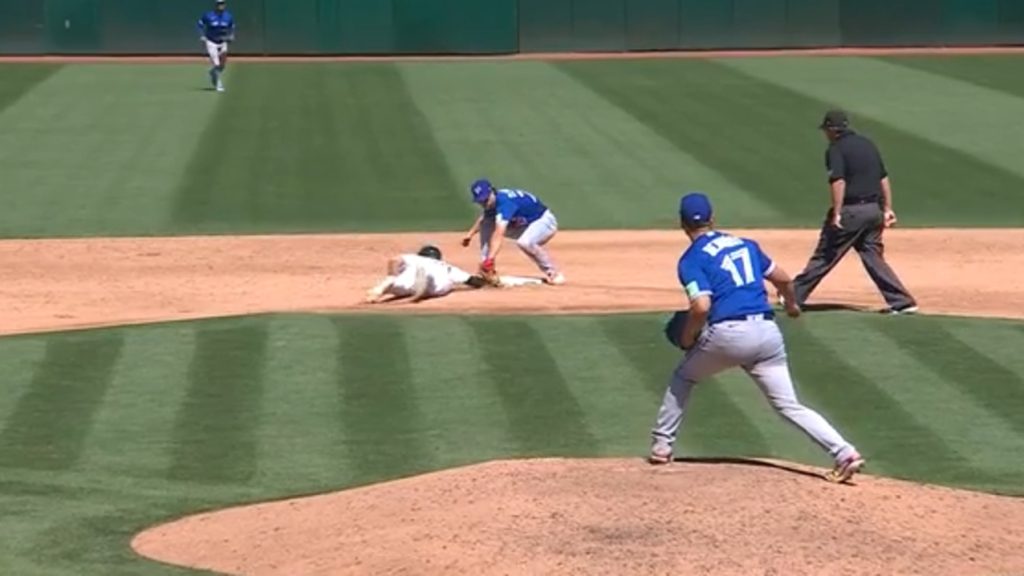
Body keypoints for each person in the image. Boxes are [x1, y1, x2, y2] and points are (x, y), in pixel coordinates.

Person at [649, 192, 865, 484]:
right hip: (767, 335)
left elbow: (701, 307)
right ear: (713, 219)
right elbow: (784, 279)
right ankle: (844, 452)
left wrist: (688, 339)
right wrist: (791, 305)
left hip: (728, 335)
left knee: (685, 377)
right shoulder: (746, 245)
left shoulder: (691, 259)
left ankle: (662, 446)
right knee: (789, 405)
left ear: (682, 224)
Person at [790, 110, 917, 315]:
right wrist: (887, 208)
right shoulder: (867, 144)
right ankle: (902, 302)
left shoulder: (836, 149)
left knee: (826, 253)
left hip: (852, 211)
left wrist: (837, 212)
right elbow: (883, 177)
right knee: (872, 256)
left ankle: (793, 295)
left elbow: (838, 180)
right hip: (873, 210)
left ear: (832, 130)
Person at [462, 179, 565, 285]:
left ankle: (554, 273)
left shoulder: (505, 203)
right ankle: (486, 269)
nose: (484, 203)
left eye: (485, 199)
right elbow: (484, 219)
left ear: (492, 191)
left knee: (524, 242)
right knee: (487, 223)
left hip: (544, 223)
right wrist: (470, 234)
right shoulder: (492, 202)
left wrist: (491, 258)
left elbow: (499, 233)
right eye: (481, 201)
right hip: (524, 225)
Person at [365, 244, 488, 304]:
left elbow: (394, 260)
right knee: (439, 283)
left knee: (394, 281)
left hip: (407, 284)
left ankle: (383, 288)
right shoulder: (446, 266)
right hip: (437, 288)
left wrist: (391, 275)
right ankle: (426, 284)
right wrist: (487, 280)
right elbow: (472, 281)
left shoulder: (415, 258)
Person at [197, 0, 235, 93]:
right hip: (211, 42)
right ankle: (218, 84)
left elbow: (232, 27)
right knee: (216, 64)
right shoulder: (208, 15)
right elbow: (199, 25)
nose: (221, 6)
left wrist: (231, 35)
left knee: (222, 65)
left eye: (222, 4)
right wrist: (202, 35)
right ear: (216, 5)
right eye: (219, 4)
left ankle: (212, 72)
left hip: (223, 41)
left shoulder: (228, 16)